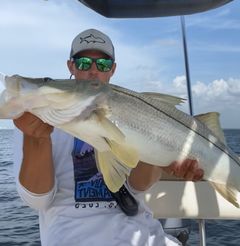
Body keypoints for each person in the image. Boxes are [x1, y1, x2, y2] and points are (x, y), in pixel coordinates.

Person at [13, 28, 204, 246]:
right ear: (70, 66)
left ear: (112, 69)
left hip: (146, 238)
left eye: (102, 64)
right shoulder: (39, 117)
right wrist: (36, 140)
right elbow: (37, 200)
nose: (93, 71)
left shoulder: (135, 112)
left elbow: (136, 188)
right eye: (84, 63)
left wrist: (161, 155)